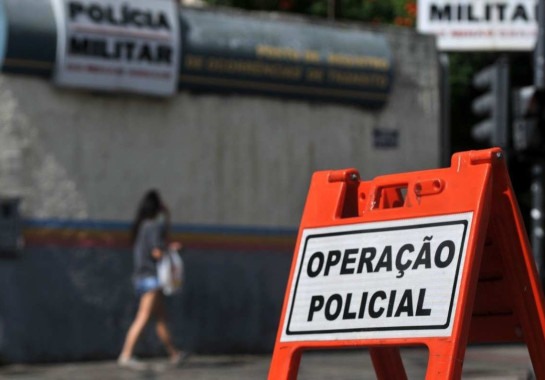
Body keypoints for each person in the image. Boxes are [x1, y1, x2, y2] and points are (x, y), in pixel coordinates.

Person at [118, 190, 185, 369]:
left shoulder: (142, 226)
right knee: (143, 317)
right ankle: (126, 354)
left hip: (142, 277)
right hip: (151, 278)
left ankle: (174, 353)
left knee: (161, 318)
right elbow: (156, 252)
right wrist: (170, 249)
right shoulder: (154, 227)